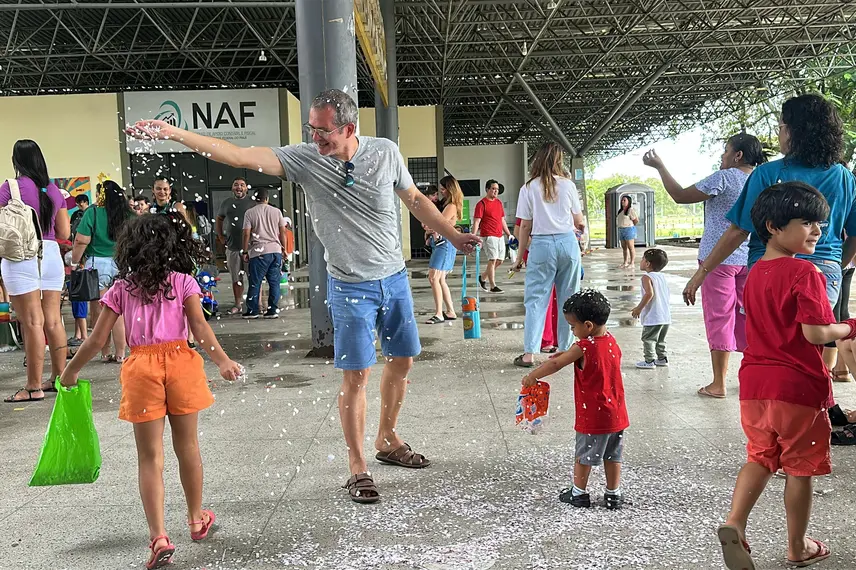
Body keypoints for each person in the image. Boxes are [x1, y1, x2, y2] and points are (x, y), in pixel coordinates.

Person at [128, 88, 480, 503]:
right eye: (311, 130)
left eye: (323, 131)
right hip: (350, 286)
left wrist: (454, 235)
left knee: (402, 362)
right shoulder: (306, 159)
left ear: (349, 128)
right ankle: (358, 465)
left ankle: (386, 438)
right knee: (358, 375)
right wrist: (174, 132)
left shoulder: (384, 153)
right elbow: (236, 155)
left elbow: (415, 199)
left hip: (395, 277)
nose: (316, 138)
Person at [60, 213, 241, 570]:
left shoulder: (121, 289)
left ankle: (159, 536)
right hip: (181, 362)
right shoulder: (183, 282)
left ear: (130, 249)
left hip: (141, 368)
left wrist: (70, 371)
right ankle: (195, 518)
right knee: (187, 447)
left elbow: (97, 339)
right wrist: (222, 361)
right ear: (173, 246)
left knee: (149, 457)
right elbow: (199, 328)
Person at [682, 94, 856, 424]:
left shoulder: (768, 174)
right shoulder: (843, 177)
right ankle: (818, 410)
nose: (778, 133)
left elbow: (737, 231)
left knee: (773, 348)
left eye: (781, 126)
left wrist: (702, 273)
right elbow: (855, 233)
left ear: (793, 131)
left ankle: (780, 419)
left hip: (767, 272)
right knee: (807, 347)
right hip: (825, 272)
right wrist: (834, 264)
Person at [716, 182, 856, 570]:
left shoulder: (756, 272)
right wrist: (847, 328)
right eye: (808, 222)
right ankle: (798, 547)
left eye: (821, 223)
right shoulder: (803, 272)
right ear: (774, 226)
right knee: (800, 468)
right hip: (797, 388)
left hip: (754, 387)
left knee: (760, 456)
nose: (818, 230)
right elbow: (815, 333)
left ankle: (735, 522)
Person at [644, 134, 767, 396]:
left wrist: (660, 167)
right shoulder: (761, 180)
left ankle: (719, 383)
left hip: (718, 260)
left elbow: (679, 195)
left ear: (738, 156)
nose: (722, 157)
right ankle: (749, 378)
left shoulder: (723, 177)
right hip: (750, 259)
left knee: (720, 318)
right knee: (748, 318)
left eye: (726, 151)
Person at [522, 290, 628, 509]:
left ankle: (579, 493)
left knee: (583, 455)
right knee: (613, 455)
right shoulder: (611, 341)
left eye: (573, 326)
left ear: (588, 326)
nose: (571, 330)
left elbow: (555, 365)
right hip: (616, 413)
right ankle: (613, 494)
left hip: (593, 415)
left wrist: (533, 376)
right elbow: (572, 356)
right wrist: (564, 354)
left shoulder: (583, 347)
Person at [1, 140, 69, 402]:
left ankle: (32, 387)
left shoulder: (11, 187)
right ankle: (60, 378)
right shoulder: (54, 190)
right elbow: (64, 232)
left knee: (31, 322)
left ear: (16, 161)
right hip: (51, 255)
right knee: (53, 320)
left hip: (22, 257)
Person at [512, 142, 585, 368]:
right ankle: (565, 349)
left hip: (541, 245)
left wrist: (518, 258)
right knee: (569, 297)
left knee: (535, 300)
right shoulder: (568, 185)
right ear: (558, 161)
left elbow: (524, 226)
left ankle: (529, 354)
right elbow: (578, 220)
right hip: (566, 242)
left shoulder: (528, 188)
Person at [72, 180, 135, 363]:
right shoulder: (129, 215)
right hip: (122, 263)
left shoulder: (92, 212)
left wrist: (75, 263)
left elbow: (81, 241)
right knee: (119, 311)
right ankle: (121, 352)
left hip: (96, 265)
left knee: (100, 311)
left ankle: (104, 352)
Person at [241, 187, 288, 319]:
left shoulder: (249, 213)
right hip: (275, 251)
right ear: (267, 199)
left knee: (255, 282)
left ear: (255, 199)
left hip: (258, 252)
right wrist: (284, 248)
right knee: (274, 283)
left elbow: (246, 234)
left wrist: (245, 251)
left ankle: (253, 310)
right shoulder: (277, 211)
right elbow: (283, 232)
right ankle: (272, 310)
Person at [424, 176, 463, 324]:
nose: (441, 191)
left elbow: (438, 223)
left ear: (450, 188)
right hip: (443, 242)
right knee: (440, 279)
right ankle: (450, 311)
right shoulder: (448, 204)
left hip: (444, 243)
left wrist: (428, 229)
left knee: (434, 277)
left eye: (443, 188)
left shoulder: (451, 205)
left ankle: (439, 313)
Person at [216, 177, 253, 315]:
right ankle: (238, 304)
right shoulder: (226, 203)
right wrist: (220, 236)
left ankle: (256, 303)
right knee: (236, 279)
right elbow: (219, 219)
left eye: (242, 185)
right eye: (236, 185)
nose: (239, 187)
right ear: (232, 188)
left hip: (251, 248)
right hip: (232, 248)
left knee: (254, 277)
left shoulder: (253, 203)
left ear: (246, 188)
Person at [631, 249, 671, 369]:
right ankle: (662, 358)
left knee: (648, 338)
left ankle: (649, 361)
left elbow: (649, 294)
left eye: (643, 259)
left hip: (653, 315)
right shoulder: (662, 277)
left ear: (648, 263)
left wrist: (638, 308)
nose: (641, 261)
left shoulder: (646, 277)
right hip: (665, 316)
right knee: (660, 339)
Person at [473, 179, 512, 293]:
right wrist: (473, 237)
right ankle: (493, 285)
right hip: (489, 235)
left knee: (500, 260)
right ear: (487, 189)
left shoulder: (499, 203)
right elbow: (476, 222)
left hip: (500, 235)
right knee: (493, 259)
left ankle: (483, 277)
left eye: (497, 189)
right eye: (493, 189)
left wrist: (509, 234)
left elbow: (502, 220)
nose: (495, 191)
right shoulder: (481, 204)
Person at [616, 195, 638, 269]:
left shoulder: (630, 210)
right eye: (622, 200)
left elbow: (635, 220)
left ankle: (632, 263)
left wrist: (630, 225)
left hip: (628, 229)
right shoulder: (620, 211)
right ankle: (625, 262)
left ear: (628, 202)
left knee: (630, 247)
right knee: (624, 247)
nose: (622, 201)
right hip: (621, 229)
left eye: (624, 200)